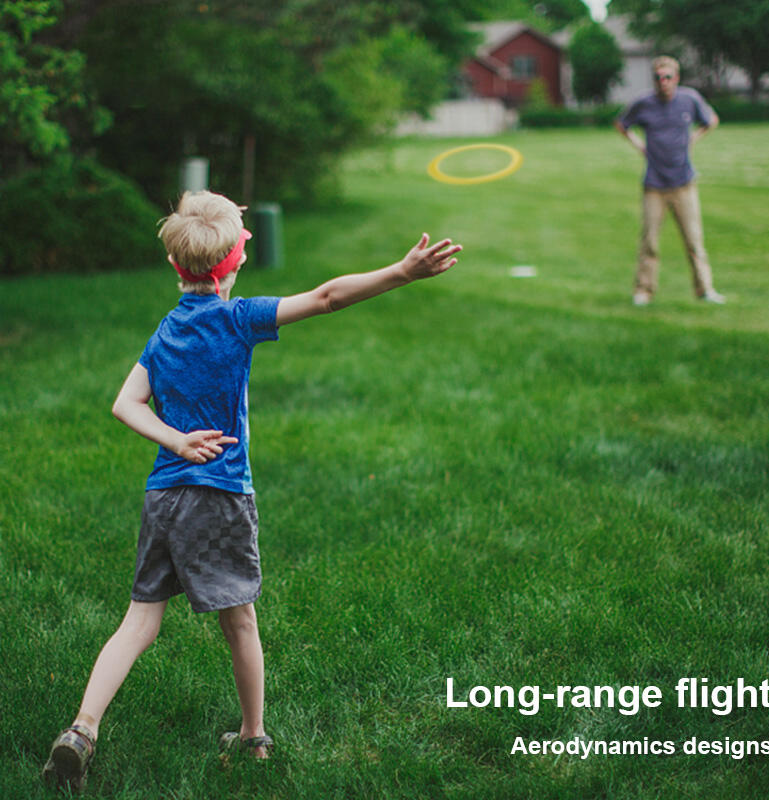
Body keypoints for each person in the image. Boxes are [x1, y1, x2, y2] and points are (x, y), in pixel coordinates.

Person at [42, 190, 462, 792]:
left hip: (164, 494)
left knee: (138, 622)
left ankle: (82, 729)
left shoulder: (166, 330)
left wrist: (177, 440)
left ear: (173, 265)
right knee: (240, 622)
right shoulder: (236, 320)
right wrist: (402, 271)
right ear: (237, 262)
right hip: (219, 497)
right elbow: (325, 298)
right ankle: (253, 735)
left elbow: (124, 403)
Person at [615, 55, 724, 306]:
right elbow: (622, 124)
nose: (663, 82)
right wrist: (639, 146)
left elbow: (711, 120)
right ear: (653, 80)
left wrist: (693, 139)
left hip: (684, 183)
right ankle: (644, 291)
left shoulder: (689, 99)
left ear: (676, 78)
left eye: (668, 77)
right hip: (654, 185)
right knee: (650, 242)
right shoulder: (643, 103)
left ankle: (705, 290)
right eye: (658, 78)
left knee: (694, 241)